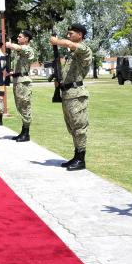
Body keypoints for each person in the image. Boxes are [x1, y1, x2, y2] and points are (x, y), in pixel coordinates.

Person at [50, 23, 92, 171]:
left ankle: (81, 159)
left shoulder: (84, 49)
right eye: (67, 33)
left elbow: (68, 43)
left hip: (77, 95)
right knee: (72, 127)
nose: (68, 36)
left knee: (79, 127)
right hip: (67, 93)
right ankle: (76, 156)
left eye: (71, 33)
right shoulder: (71, 54)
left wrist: (57, 41)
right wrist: (59, 81)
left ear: (80, 35)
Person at [5, 30, 36, 142]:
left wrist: (9, 45)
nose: (18, 38)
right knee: (20, 106)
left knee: (25, 106)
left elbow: (19, 48)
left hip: (23, 82)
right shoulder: (20, 52)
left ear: (26, 39)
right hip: (18, 80)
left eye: (20, 37)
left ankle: (26, 133)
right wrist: (12, 73)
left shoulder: (28, 49)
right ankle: (23, 131)